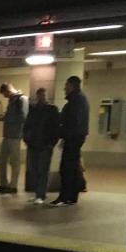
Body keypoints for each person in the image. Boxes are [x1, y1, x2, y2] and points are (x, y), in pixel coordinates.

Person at [51, 76, 90, 207]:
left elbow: (71, 121)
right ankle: (71, 196)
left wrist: (63, 133)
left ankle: (65, 196)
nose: (64, 88)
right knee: (72, 168)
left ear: (72, 86)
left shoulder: (75, 101)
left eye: (66, 85)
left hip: (73, 137)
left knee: (67, 168)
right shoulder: (80, 100)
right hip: (76, 137)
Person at [22, 87, 60, 205]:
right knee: (34, 170)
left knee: (42, 170)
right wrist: (27, 139)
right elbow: (27, 125)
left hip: (45, 145)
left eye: (43, 96)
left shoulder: (52, 110)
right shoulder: (33, 110)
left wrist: (51, 143)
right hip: (33, 144)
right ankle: (37, 193)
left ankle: (41, 194)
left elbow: (56, 128)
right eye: (40, 96)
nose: (42, 98)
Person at [0, 82, 28, 193]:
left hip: (15, 135)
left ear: (8, 90)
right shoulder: (12, 100)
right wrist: (4, 117)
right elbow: (12, 115)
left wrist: (7, 118)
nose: (5, 96)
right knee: (1, 161)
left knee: (14, 161)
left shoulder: (22, 99)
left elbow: (23, 117)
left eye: (4, 94)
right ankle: (3, 184)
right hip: (7, 135)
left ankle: (13, 186)